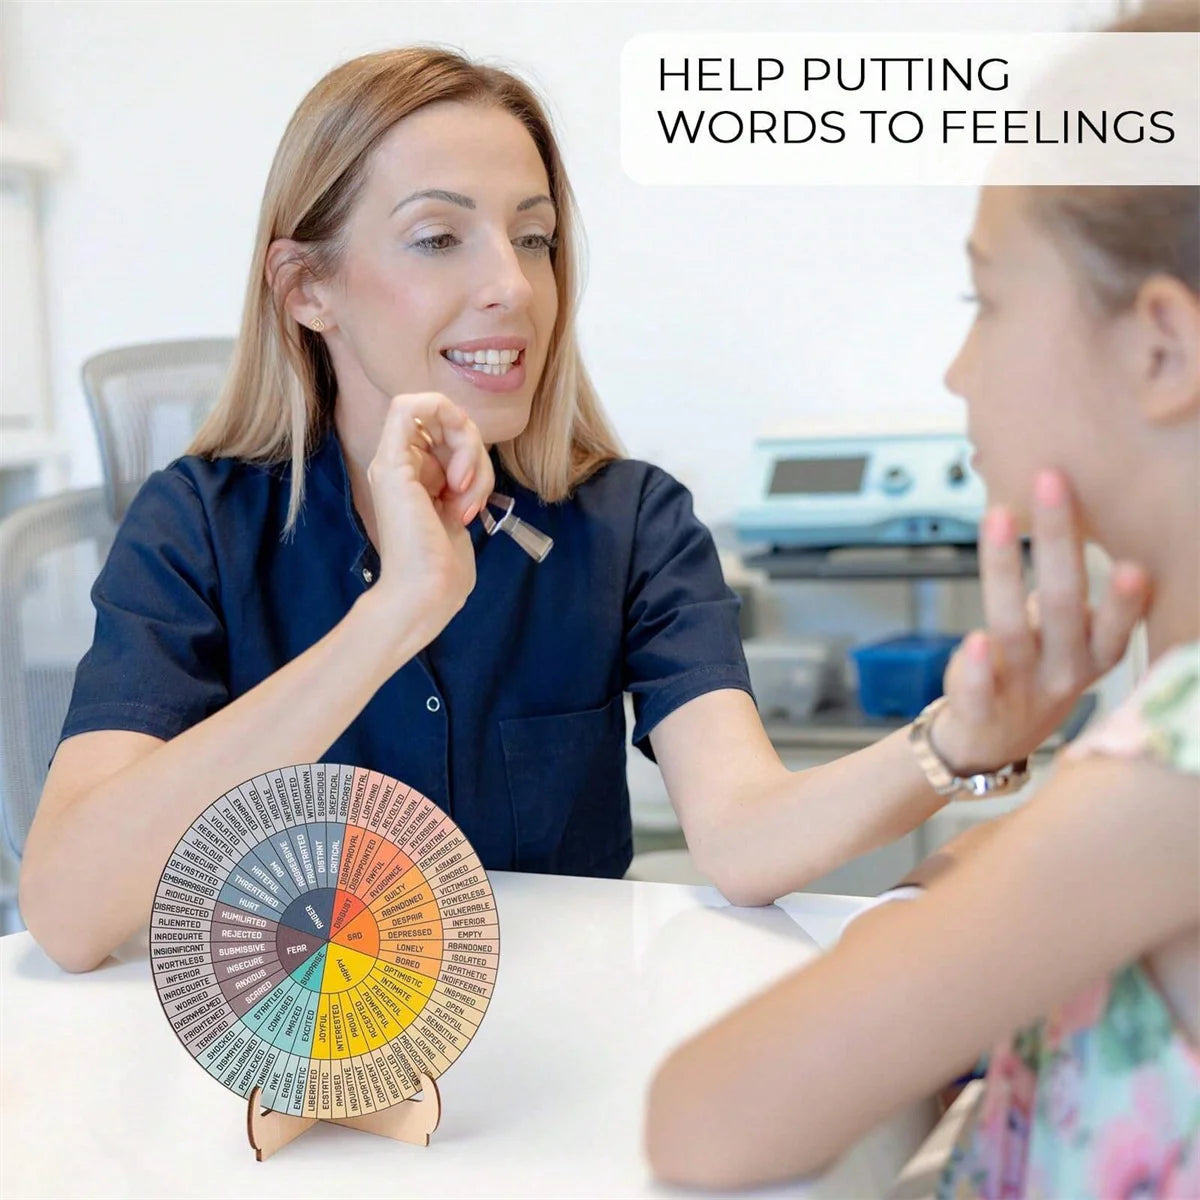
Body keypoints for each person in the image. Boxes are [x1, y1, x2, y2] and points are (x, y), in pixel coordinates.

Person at [20, 48, 1145, 975]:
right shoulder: (195, 526)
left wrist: (955, 745)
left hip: (552, 1051)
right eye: (438, 238)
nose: (514, 285)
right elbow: (69, 914)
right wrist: (393, 616)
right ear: (307, 287)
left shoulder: (630, 523)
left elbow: (746, 837)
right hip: (287, 1065)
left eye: (534, 236)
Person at [644, 7, 1199, 1195]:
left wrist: (920, 927)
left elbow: (704, 1118)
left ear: (1162, 349)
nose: (957, 369)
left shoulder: (1174, 771)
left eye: (985, 302)